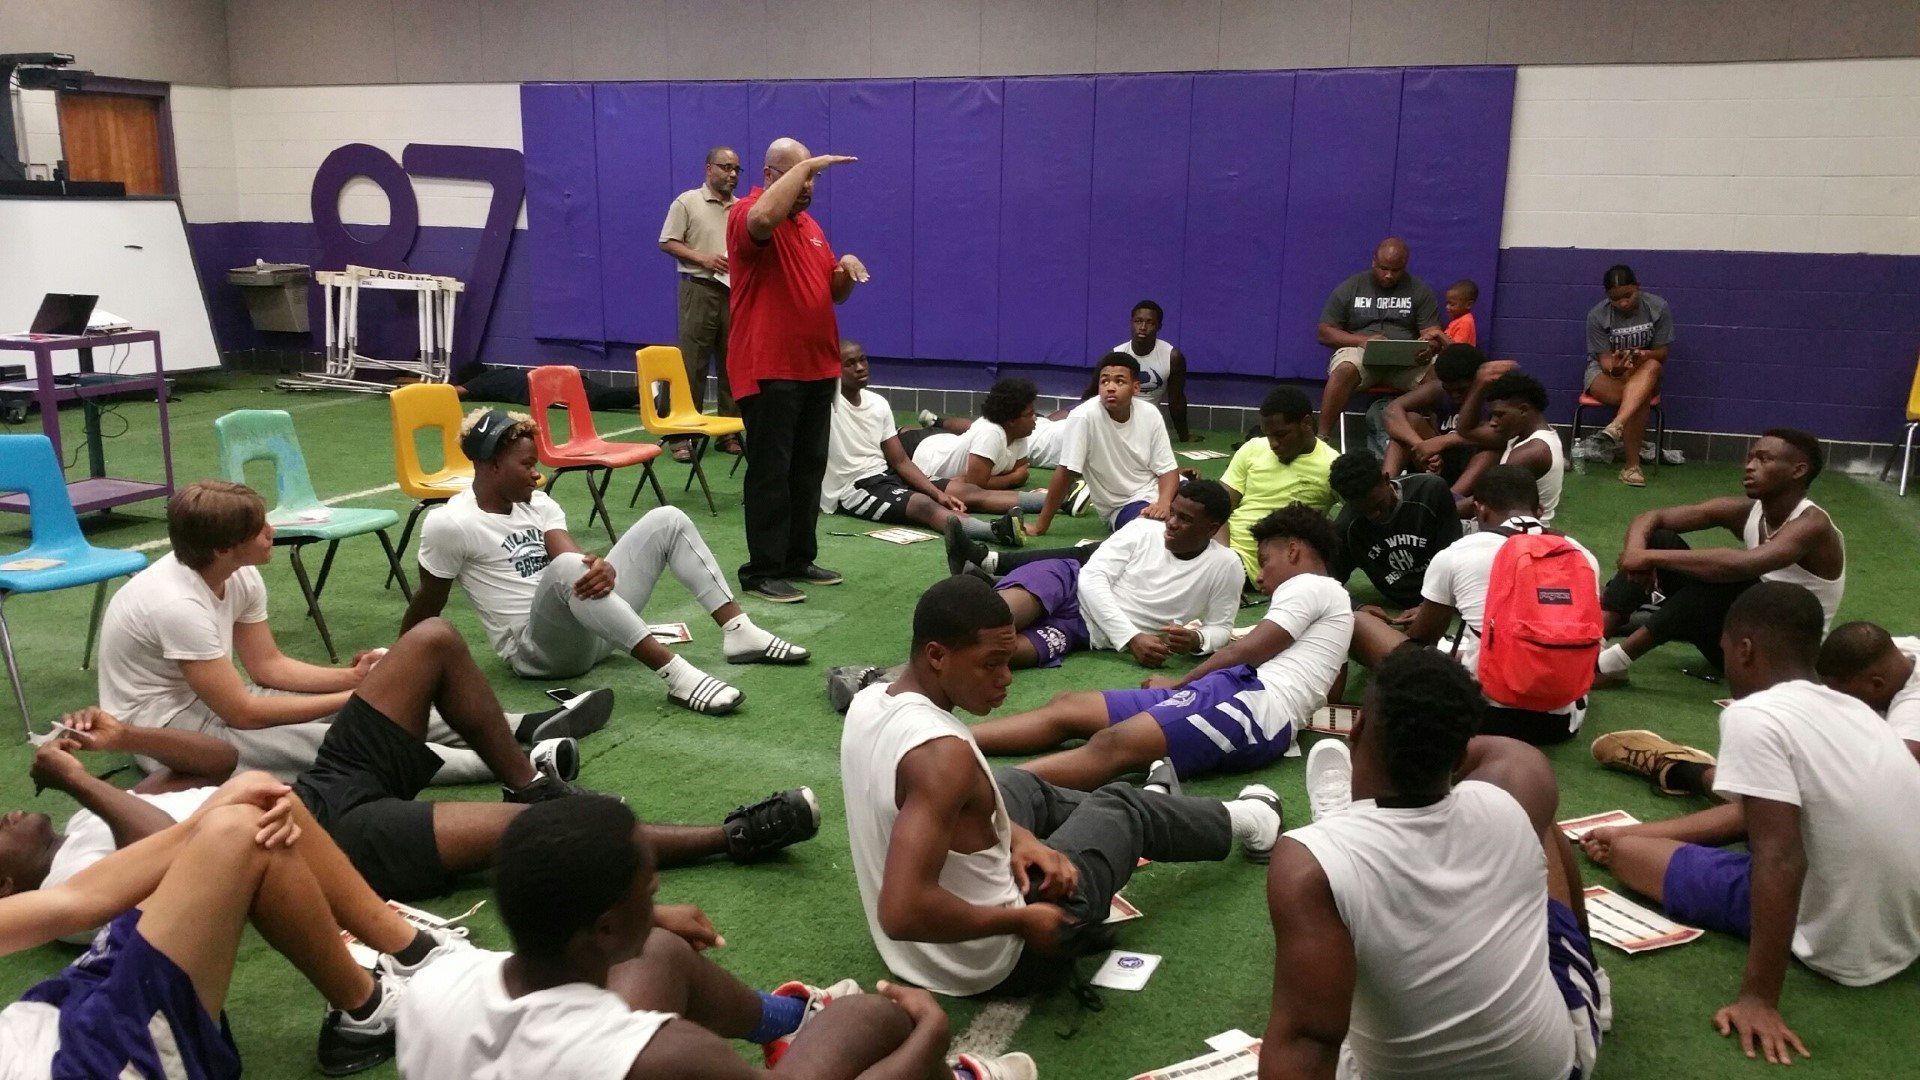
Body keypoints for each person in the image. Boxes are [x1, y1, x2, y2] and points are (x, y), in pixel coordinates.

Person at [10, 627, 818, 911]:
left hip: (314, 793)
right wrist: (83, 781)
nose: (5, 818)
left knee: (428, 643)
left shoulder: (89, 824)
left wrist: (120, 740)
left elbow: (218, 760)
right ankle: (732, 836)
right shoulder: (66, 895)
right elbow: (171, 855)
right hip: (319, 851)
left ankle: (528, 774)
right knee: (548, 836)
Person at [840, 574, 1282, 997]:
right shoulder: (943, 756)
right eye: (991, 664)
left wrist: (1022, 838)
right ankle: (1248, 822)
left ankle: (1150, 818)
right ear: (937, 656)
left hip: (910, 956)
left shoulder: (871, 701)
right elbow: (901, 911)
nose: (1006, 677)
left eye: (1007, 661)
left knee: (1017, 784)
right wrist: (1021, 923)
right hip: (1003, 958)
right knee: (1119, 806)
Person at [396, 797, 1030, 1080]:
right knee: (870, 1018)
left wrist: (643, 922)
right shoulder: (660, 1058)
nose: (660, 904)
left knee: (664, 954)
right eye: (649, 895)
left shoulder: (433, 984)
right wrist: (926, 1041)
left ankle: (786, 1018)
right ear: (606, 927)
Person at [1579, 583, 1920, 1065]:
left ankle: (1689, 775)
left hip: (1842, 940)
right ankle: (1691, 775)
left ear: (1744, 650)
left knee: (1629, 858)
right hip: (1905, 930)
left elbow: (1780, 856)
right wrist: (1629, 829)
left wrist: (1759, 998)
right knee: (1645, 840)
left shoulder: (1753, 715)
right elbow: (1753, 821)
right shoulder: (1856, 710)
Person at [1263, 647, 1603, 1080]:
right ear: (1460, 756)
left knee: (1321, 1004)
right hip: (1557, 1070)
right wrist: (1439, 740)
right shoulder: (1514, 791)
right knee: (1539, 824)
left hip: (1341, 869)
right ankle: (1592, 977)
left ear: (1358, 728)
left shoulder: (1302, 862)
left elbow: (1308, 1042)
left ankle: (1346, 826)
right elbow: (1499, 753)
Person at [0, 771, 471, 1076]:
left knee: (254, 803)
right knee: (242, 829)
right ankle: (369, 1007)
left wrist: (209, 815)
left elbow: (78, 900)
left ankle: (414, 956)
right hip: (84, 1064)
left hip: (60, 1011)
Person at [96, 480, 553, 784]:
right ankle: (513, 763)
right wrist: (358, 697)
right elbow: (242, 713)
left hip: (216, 702)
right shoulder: (176, 604)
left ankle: (522, 726)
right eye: (259, 529)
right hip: (163, 730)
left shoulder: (239, 573)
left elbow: (268, 667)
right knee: (336, 740)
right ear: (223, 547)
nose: (272, 532)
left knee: (370, 702)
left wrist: (355, 680)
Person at [404, 409, 809, 714]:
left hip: (593, 633)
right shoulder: (450, 523)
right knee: (567, 571)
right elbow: (429, 601)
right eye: (527, 465)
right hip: (539, 655)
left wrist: (597, 566)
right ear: (491, 465)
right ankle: (678, 677)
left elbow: (568, 553)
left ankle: (739, 632)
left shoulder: (536, 503)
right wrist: (395, 658)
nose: (536, 475)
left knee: (667, 520)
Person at [971, 506, 1351, 790]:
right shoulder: (1333, 600)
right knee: (1068, 707)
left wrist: (1179, 684)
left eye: (1265, 561)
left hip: (1252, 706)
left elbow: (1245, 651)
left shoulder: (1310, 586)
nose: (1261, 575)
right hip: (1241, 696)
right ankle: (951, 740)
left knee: (1113, 746)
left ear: (1295, 550)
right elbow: (1332, 679)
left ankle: (979, 789)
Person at [1347, 466, 1599, 745]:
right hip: (1559, 725)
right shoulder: (1582, 556)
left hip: (1478, 718)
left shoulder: (1459, 553)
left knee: (1361, 625)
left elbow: (1421, 639)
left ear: (1480, 510)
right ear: (1539, 510)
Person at [728, 138, 868, 604]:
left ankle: (797, 558)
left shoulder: (810, 226)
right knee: (771, 469)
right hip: (769, 367)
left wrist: (843, 270)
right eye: (800, 174)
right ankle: (763, 570)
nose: (808, 185)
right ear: (771, 174)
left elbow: (834, 294)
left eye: (812, 176)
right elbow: (765, 219)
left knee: (808, 468)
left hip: (815, 367)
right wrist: (806, 164)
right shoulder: (747, 213)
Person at [1595, 428, 1844, 686]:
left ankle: (1611, 665)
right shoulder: (1746, 511)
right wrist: (1638, 552)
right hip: (1735, 639)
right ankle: (1593, 641)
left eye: (1764, 459)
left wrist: (1648, 558)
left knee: (1727, 581)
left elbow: (1743, 565)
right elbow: (1650, 518)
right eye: (1750, 458)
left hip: (1772, 659)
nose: (1750, 466)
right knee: (1659, 537)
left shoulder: (1812, 525)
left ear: (1798, 470)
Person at [993, 481, 1240, 670]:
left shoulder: (1226, 565)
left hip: (1082, 632)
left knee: (993, 654)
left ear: (1212, 529)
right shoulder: (1142, 528)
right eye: (1172, 512)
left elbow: (1221, 627)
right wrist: (1131, 638)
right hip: (1067, 582)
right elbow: (1090, 578)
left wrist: (1197, 640)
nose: (1171, 523)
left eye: (1185, 519)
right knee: (988, 626)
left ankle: (989, 588)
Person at [822, 340, 1024, 548]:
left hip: (886, 473)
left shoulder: (878, 403)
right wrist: (931, 497)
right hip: (853, 487)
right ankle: (996, 531)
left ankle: (1055, 502)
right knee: (923, 504)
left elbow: (900, 460)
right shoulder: (825, 402)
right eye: (850, 363)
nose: (860, 367)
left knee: (966, 490)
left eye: (863, 359)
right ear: (834, 369)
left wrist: (938, 493)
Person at [1031, 353, 1178, 537]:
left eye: (1119, 381)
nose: (1110, 388)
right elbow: (1065, 473)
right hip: (1123, 505)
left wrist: (1163, 503)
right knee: (1156, 533)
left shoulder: (1150, 413)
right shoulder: (1083, 417)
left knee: (1206, 505)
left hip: (1158, 492)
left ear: (1136, 387)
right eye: (1105, 381)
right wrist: (1040, 527)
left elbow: (1167, 469)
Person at [658, 145, 743, 461]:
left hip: (734, 293)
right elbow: (667, 242)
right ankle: (680, 435)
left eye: (736, 169)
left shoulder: (741, 208)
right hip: (699, 290)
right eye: (725, 167)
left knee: (733, 363)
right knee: (690, 363)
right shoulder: (687, 202)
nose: (731, 174)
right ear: (709, 168)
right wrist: (703, 259)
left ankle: (727, 432)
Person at [1315, 237, 1445, 442]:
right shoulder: (1352, 287)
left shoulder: (1420, 290)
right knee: (1343, 370)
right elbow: (1324, 332)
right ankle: (1321, 440)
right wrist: (1360, 340)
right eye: (1384, 268)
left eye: (1396, 270)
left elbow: (1434, 334)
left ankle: (1433, 441)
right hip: (1361, 352)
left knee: (1436, 377)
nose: (1389, 275)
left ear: (1405, 265)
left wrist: (1429, 347)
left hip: (1404, 359)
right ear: (1373, 261)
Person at [1220, 387, 1338, 582]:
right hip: (1220, 548)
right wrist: (1221, 557)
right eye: (1268, 435)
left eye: (1281, 434)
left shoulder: (1333, 465)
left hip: (1255, 564)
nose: (1273, 443)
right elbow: (1218, 507)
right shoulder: (1252, 448)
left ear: (1307, 423)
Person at [1577, 264, 1676, 486]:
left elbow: (1662, 354)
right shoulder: (1597, 315)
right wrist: (1617, 368)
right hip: (1607, 375)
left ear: (1638, 287)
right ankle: (1632, 468)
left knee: (1651, 367)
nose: (1623, 302)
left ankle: (1617, 424)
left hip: (1644, 373)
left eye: (1628, 296)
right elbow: (1604, 361)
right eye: (1615, 299)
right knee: (1639, 398)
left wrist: (1644, 355)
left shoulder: (1657, 307)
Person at [1328, 448, 1461, 611]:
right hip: (1402, 602)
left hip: (1445, 593)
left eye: (1378, 505)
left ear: (1386, 479)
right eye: (1364, 511)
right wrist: (1358, 607)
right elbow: (1323, 584)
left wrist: (1430, 607)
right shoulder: (1347, 526)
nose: (1374, 515)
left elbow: (1456, 560)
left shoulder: (1430, 491)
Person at [901, 377, 1048, 518]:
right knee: (892, 438)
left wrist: (1002, 478)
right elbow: (977, 486)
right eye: (1029, 414)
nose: (1035, 418)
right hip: (919, 451)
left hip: (943, 441)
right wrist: (1012, 479)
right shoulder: (991, 434)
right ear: (1011, 421)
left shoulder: (1019, 434)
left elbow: (1022, 472)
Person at [1382, 344, 1514, 493]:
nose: (1455, 395)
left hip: (1474, 466)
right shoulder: (1437, 390)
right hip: (1441, 462)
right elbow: (1391, 411)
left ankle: (1451, 503)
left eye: (1462, 389)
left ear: (1477, 380)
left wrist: (1444, 441)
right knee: (1410, 420)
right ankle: (1386, 488)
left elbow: (1503, 435)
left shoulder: (1494, 396)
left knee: (1490, 450)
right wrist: (1420, 445)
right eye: (1449, 390)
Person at [1086, 300, 1194, 441]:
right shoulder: (1115, 355)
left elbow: (1177, 400)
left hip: (1145, 422)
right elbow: (1092, 393)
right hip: (1113, 419)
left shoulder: (1172, 357)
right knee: (1062, 416)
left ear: (1159, 327)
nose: (1143, 327)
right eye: (1138, 321)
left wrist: (1184, 436)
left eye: (1150, 323)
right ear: (1131, 323)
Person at [1816, 620, 1920, 762]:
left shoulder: (1912, 711)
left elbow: (1895, 767)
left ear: (1876, 685)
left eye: (1843, 696)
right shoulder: (1892, 652)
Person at [1481, 371, 1565, 523]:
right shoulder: (1527, 435)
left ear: (1523, 410)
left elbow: (1485, 501)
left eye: (1499, 415)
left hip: (1511, 534)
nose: (1493, 422)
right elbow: (1467, 432)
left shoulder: (1531, 452)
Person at [1442, 278, 1478, 347]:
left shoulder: (1465, 322)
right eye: (1447, 303)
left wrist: (1438, 334)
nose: (1447, 307)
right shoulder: (1457, 320)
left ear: (1468, 305)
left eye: (1452, 304)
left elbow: (1456, 349)